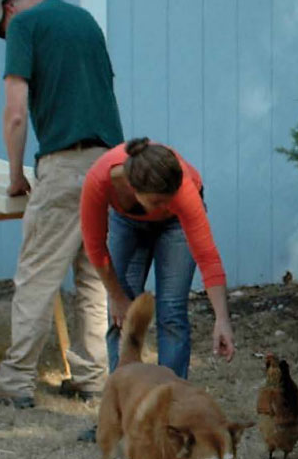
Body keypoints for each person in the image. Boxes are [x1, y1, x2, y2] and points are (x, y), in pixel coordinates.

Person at [0, 0, 124, 408]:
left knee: (37, 274)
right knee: (92, 275)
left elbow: (16, 111)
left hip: (65, 164)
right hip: (113, 164)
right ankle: (93, 376)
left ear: (9, 10)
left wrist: (15, 175)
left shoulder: (24, 25)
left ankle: (16, 382)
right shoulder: (85, 21)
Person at [80, 137, 235, 376]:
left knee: (171, 311)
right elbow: (96, 249)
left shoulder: (181, 190)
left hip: (176, 226)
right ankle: (123, 394)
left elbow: (208, 257)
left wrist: (222, 319)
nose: (166, 205)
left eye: (170, 199)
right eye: (158, 201)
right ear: (133, 187)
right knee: (120, 315)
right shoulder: (99, 180)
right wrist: (117, 296)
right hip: (127, 222)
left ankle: (172, 397)